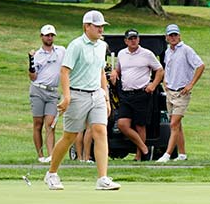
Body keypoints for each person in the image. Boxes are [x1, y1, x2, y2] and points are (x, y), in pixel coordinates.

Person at [43, 10, 120, 190]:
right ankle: (52, 173)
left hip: (97, 94)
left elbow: (101, 72)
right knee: (70, 136)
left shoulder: (102, 46)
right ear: (87, 27)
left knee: (101, 131)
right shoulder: (76, 45)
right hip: (77, 94)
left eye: (102, 26)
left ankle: (103, 178)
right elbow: (64, 71)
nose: (101, 29)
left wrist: (106, 98)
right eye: (97, 26)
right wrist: (67, 95)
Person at [109, 29, 163, 161]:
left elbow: (160, 70)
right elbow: (119, 69)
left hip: (142, 94)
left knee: (140, 125)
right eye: (130, 39)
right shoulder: (122, 54)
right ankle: (144, 148)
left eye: (135, 38)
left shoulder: (147, 54)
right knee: (122, 124)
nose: (133, 41)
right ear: (126, 41)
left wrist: (153, 85)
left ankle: (139, 157)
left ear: (138, 39)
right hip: (126, 94)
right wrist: (115, 72)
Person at [158, 24, 206, 162]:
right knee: (177, 125)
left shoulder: (186, 50)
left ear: (179, 36)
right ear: (167, 37)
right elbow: (167, 67)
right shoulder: (168, 52)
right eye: (170, 35)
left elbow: (200, 65)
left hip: (182, 92)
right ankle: (182, 154)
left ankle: (167, 154)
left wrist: (191, 84)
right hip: (170, 92)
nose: (173, 38)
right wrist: (165, 81)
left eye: (175, 35)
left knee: (173, 124)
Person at [29, 24, 65, 163]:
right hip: (38, 90)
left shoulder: (61, 51)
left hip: (52, 92)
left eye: (51, 35)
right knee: (38, 123)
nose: (49, 38)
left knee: (50, 124)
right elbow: (32, 77)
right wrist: (30, 62)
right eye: (47, 35)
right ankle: (40, 156)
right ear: (41, 36)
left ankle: (51, 155)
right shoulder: (37, 55)